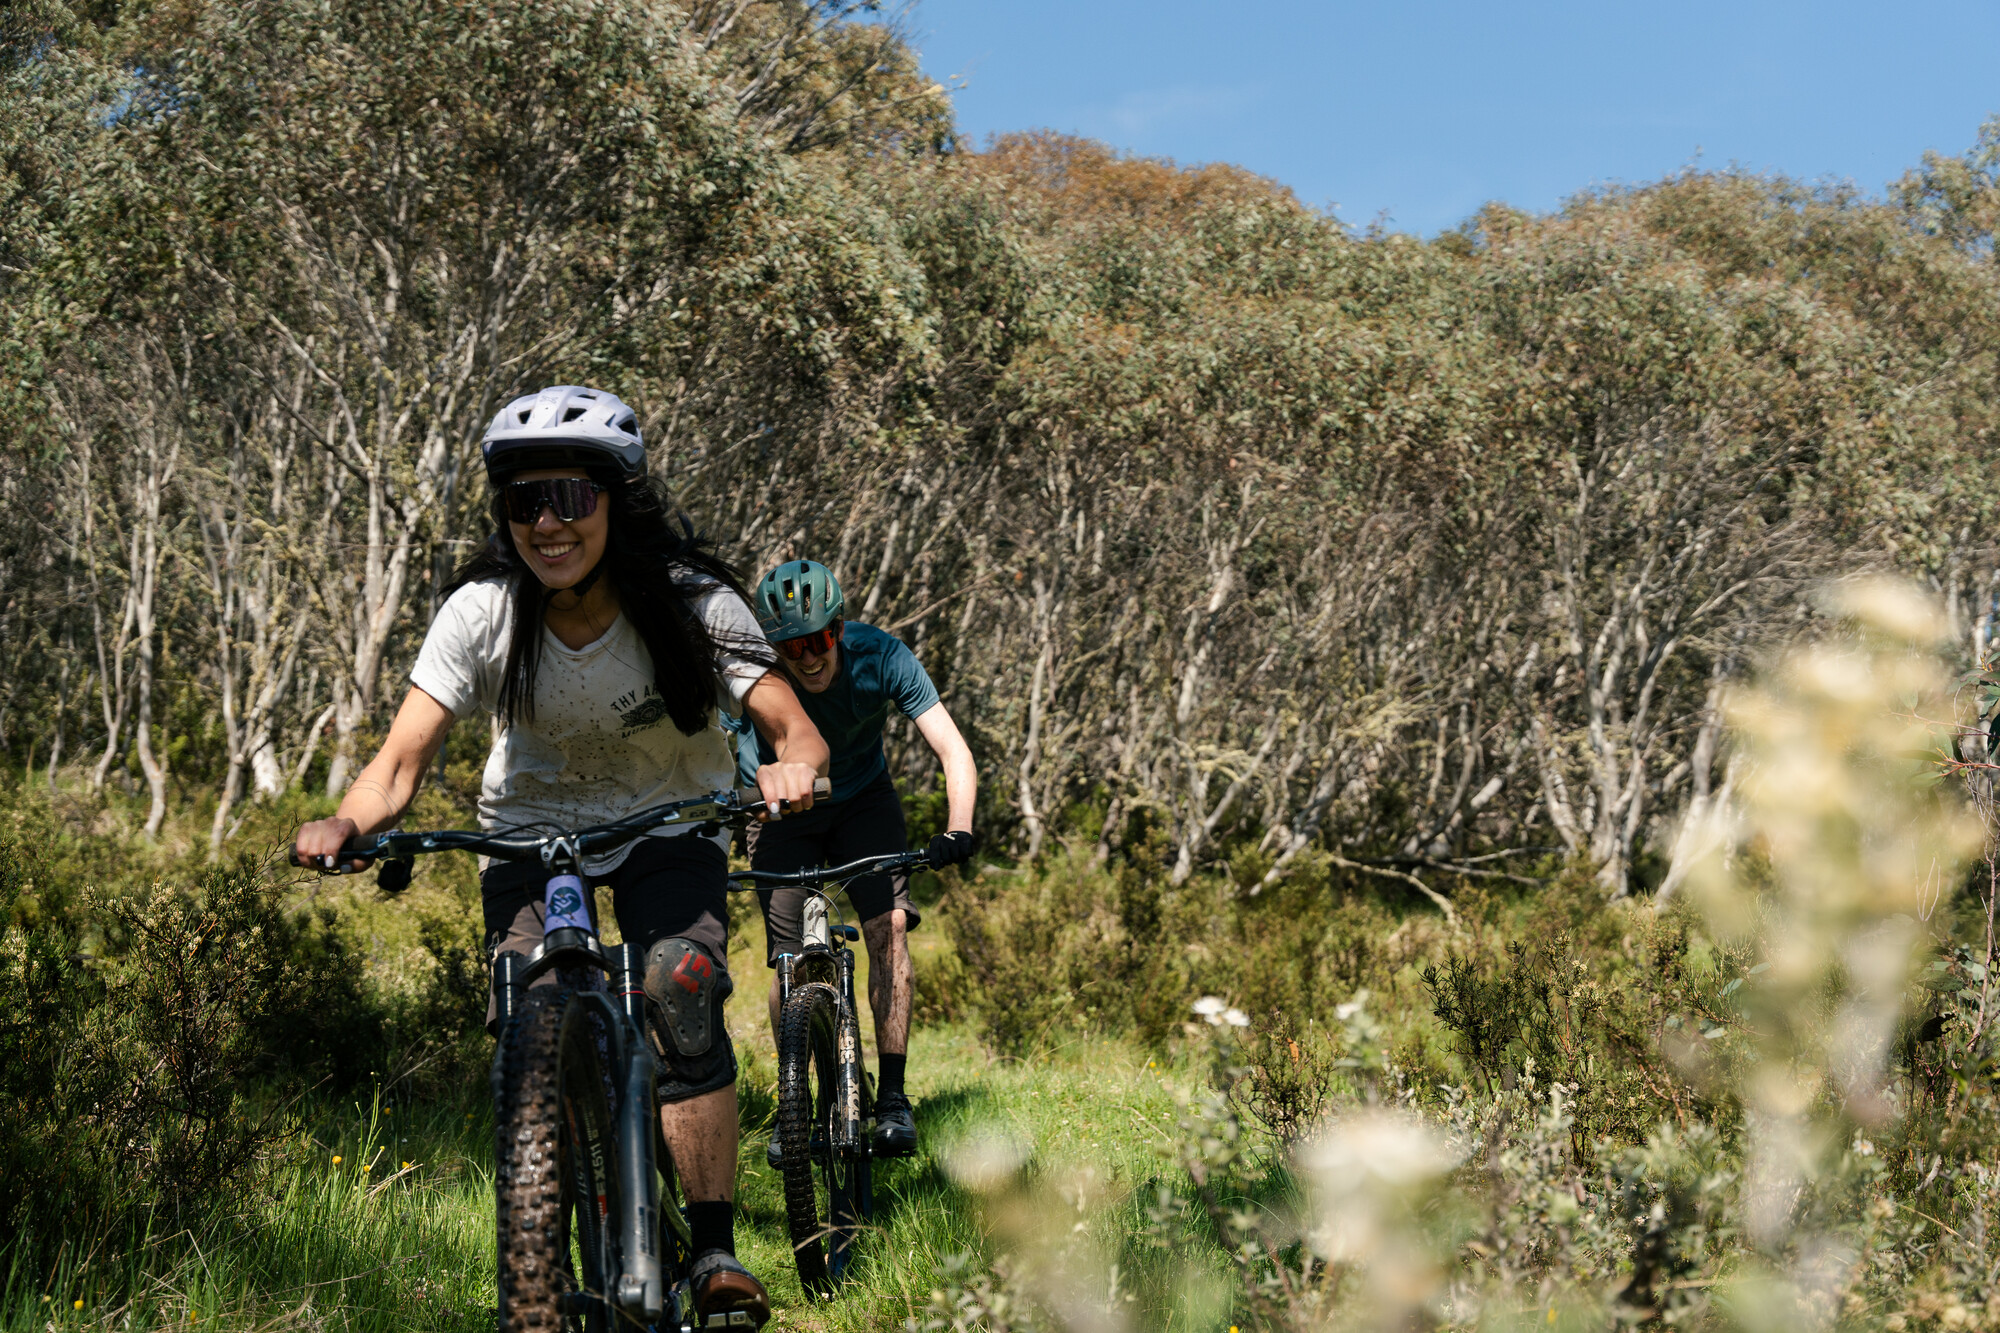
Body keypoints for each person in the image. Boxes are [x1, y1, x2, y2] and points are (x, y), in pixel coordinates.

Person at [294, 385, 825, 1328]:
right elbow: (397, 765)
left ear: (616, 500)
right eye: (524, 501)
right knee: (528, 1012)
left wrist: (790, 772)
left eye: (571, 498)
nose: (547, 522)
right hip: (529, 831)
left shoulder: (697, 605)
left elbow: (797, 733)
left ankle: (710, 1250)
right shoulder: (482, 612)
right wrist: (348, 824)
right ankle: (566, 1205)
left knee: (679, 985)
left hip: (670, 820)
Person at [730, 559, 977, 1162]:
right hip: (779, 810)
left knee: (888, 927)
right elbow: (724, 767)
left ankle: (891, 1098)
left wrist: (959, 827)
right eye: (792, 646)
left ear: (839, 629)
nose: (808, 657)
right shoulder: (755, 680)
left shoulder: (881, 657)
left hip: (863, 801)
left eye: (819, 640)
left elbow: (952, 749)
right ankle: (801, 1108)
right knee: (789, 964)